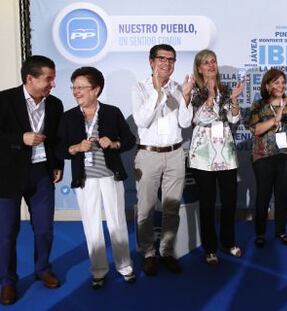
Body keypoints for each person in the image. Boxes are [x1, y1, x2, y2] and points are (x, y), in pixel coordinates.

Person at [57, 67, 136, 288]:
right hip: (85, 180)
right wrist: (75, 148)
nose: (76, 91)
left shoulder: (112, 112)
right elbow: (59, 149)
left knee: (117, 222)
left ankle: (125, 267)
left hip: (111, 176)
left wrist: (114, 143)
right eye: (73, 87)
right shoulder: (69, 117)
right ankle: (98, 270)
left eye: (81, 87)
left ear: (96, 89)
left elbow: (129, 140)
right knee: (91, 224)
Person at [0, 55, 63, 305]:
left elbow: (56, 138)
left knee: (44, 229)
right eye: (48, 79)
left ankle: (43, 269)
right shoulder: (4, 100)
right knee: (6, 233)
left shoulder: (55, 104)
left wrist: (57, 164)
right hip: (7, 175)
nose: (53, 84)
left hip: (41, 175)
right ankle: (6, 281)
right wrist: (20, 138)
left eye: (53, 78)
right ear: (30, 78)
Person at [133, 44, 194, 276]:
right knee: (146, 209)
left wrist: (186, 97)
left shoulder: (179, 87)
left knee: (171, 207)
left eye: (171, 59)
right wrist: (158, 94)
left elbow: (185, 123)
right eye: (162, 58)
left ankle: (167, 251)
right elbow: (141, 120)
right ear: (151, 62)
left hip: (175, 154)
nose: (167, 63)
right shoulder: (139, 87)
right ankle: (148, 253)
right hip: (148, 154)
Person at [188, 49, 244, 265]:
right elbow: (198, 119)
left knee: (229, 202)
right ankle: (210, 248)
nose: (211, 65)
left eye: (213, 61)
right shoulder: (193, 91)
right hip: (203, 157)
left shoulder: (225, 89)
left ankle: (228, 242)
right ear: (199, 68)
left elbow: (234, 118)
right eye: (206, 63)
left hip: (226, 155)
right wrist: (210, 97)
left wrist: (235, 100)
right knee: (208, 204)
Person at [248, 68, 287, 248]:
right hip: (263, 156)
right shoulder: (258, 105)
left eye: (282, 82)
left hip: (286, 156)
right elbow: (255, 130)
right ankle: (260, 233)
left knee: (282, 195)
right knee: (263, 195)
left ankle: (281, 231)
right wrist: (275, 119)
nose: (281, 85)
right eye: (276, 82)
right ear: (267, 85)